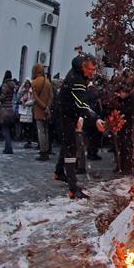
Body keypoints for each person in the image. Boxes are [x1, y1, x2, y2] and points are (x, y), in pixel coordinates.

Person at [54, 54, 106, 199]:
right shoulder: (76, 80)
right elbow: (81, 103)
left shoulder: (79, 74)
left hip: (69, 114)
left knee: (67, 143)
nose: (92, 73)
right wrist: (95, 119)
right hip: (65, 116)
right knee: (71, 148)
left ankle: (58, 172)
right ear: (83, 67)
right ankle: (73, 188)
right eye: (91, 69)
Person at [31, 63, 54, 160]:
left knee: (41, 132)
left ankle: (43, 151)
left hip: (39, 110)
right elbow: (51, 96)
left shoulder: (35, 82)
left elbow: (35, 98)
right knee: (46, 131)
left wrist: (43, 107)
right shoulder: (47, 82)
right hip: (47, 111)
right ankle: (47, 149)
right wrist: (48, 107)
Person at [0, 71, 17, 154]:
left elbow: (2, 98)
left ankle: (8, 148)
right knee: (8, 129)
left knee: (5, 130)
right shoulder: (12, 86)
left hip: (5, 109)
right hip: (10, 109)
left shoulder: (5, 85)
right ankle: (8, 147)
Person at [16, 79, 35, 148]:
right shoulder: (23, 91)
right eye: (25, 84)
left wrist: (26, 103)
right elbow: (18, 95)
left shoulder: (31, 92)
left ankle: (29, 141)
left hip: (29, 110)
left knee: (29, 127)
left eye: (27, 84)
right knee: (24, 126)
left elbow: (33, 100)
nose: (26, 85)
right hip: (23, 110)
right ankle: (26, 139)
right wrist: (22, 86)